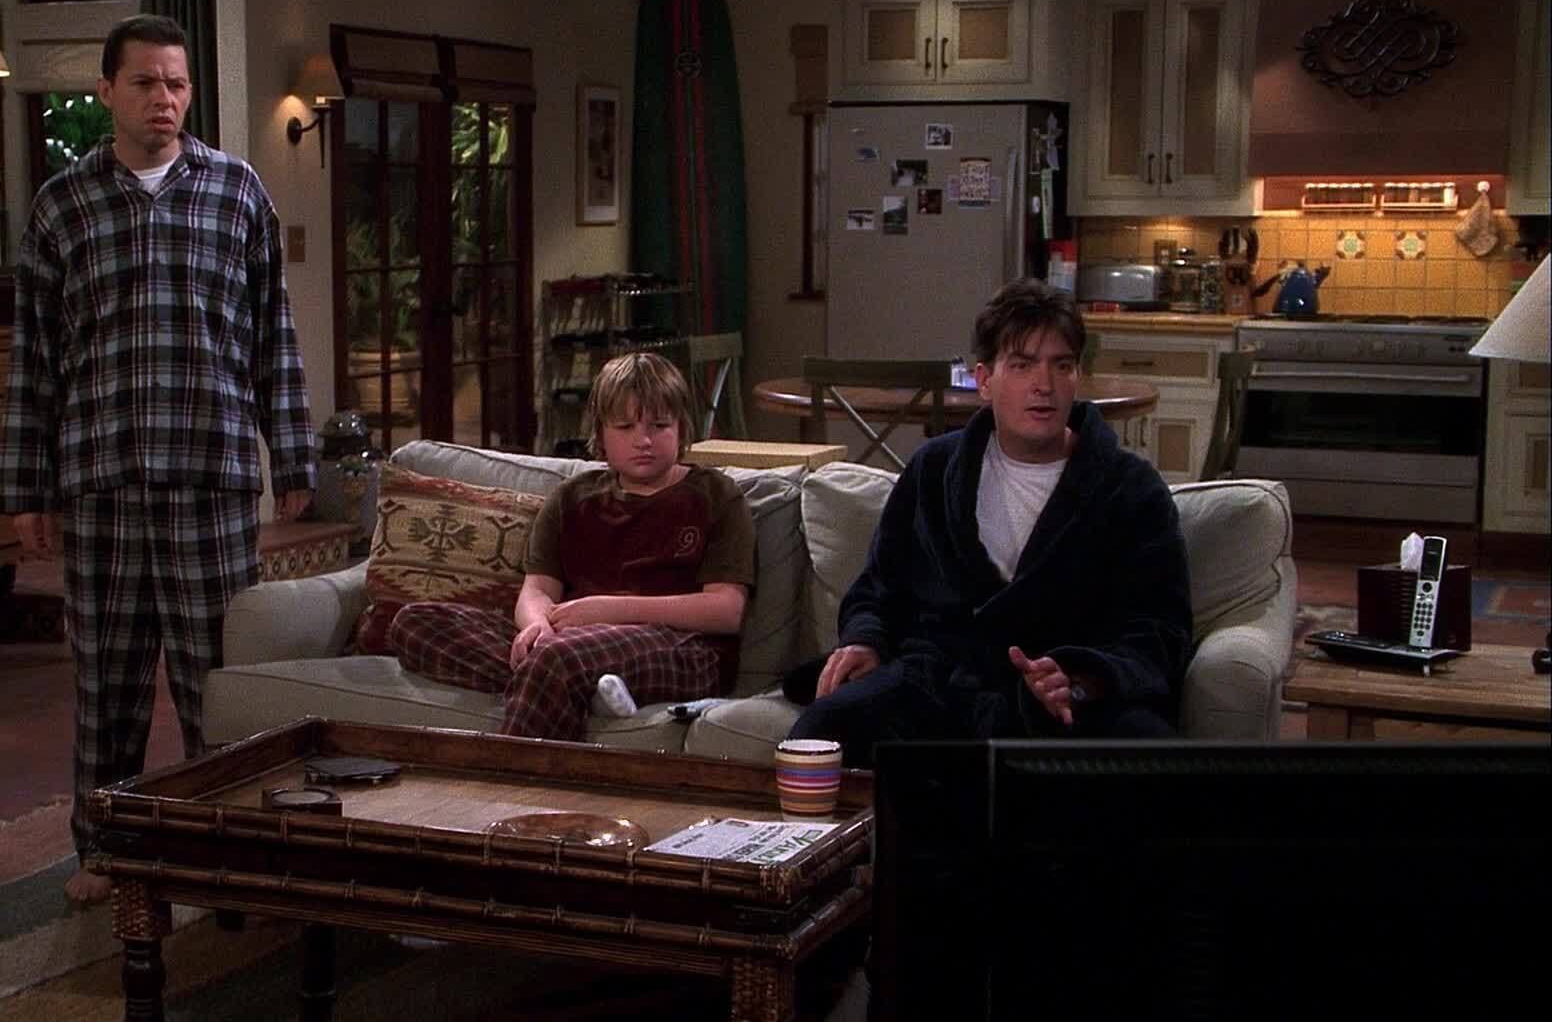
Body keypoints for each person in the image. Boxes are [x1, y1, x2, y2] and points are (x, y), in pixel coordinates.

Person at [0, 14, 314, 904]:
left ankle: (221, 850)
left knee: (215, 682)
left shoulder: (237, 192)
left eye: (175, 83)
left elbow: (273, 338)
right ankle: (105, 851)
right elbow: (34, 359)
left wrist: (293, 459)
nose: (162, 99)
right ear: (106, 92)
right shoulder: (63, 205)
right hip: (100, 480)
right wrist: (26, 486)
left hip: (210, 477)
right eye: (144, 83)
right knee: (108, 686)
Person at [785, 279, 1191, 766]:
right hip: (940, 680)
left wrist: (1085, 675)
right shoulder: (934, 470)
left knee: (1157, 759)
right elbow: (878, 587)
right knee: (823, 731)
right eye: (1022, 365)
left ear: (1077, 376)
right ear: (983, 380)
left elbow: (1161, 629)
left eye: (1061, 365)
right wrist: (864, 640)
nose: (1044, 385)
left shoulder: (1131, 489)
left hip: (1058, 695)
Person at [387, 352, 755, 741]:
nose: (643, 440)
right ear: (601, 433)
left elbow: (726, 611)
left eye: (659, 425)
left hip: (682, 647)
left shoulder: (715, 495)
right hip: (570, 644)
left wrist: (608, 611)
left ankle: (511, 769)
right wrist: (539, 628)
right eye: (625, 426)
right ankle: (582, 688)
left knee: (558, 659)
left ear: (682, 428)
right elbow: (537, 590)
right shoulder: (571, 498)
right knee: (415, 622)